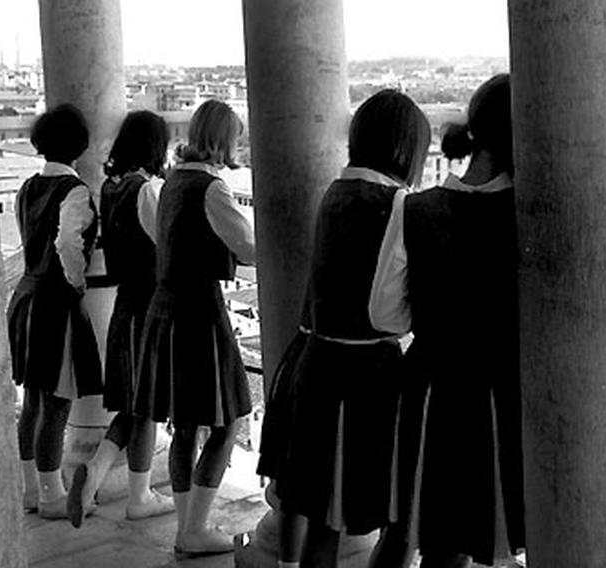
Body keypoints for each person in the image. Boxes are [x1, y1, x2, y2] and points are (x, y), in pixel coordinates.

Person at [256, 89, 431, 568]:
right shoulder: (396, 204)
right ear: (406, 147)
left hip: (313, 363)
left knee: (322, 514)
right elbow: (387, 314)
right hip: (365, 378)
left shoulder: (335, 192)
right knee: (394, 512)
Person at [369, 74, 524, 568]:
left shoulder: (413, 208)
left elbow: (385, 315)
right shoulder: (527, 214)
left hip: (432, 390)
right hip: (506, 396)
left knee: (430, 535)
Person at [133, 99, 255, 557]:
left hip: (165, 311)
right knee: (227, 421)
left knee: (185, 426)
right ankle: (196, 526)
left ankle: (188, 526)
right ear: (224, 138)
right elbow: (247, 249)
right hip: (199, 316)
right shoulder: (212, 188)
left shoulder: (170, 182)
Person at [67, 110, 175, 528]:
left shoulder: (111, 188)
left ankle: (93, 474)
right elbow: (164, 247)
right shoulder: (147, 191)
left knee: (132, 407)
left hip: (124, 307)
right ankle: (139, 496)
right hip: (149, 309)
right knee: (146, 408)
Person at [8, 103, 102, 520]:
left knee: (32, 400)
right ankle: (50, 495)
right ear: (79, 146)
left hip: (25, 296)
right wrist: (77, 281)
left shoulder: (26, 187)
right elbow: (68, 242)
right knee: (58, 402)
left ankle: (30, 488)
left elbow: (31, 237)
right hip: (54, 304)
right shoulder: (76, 191)